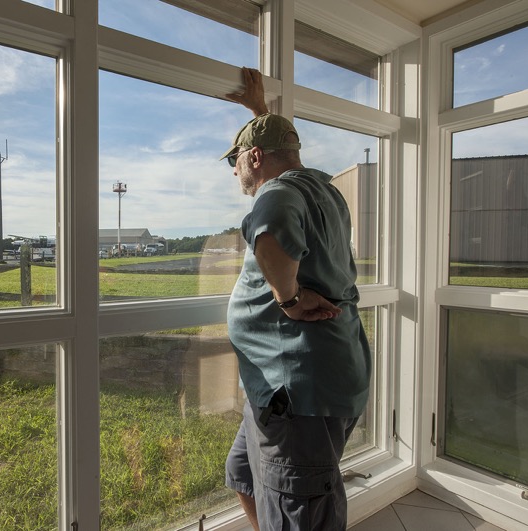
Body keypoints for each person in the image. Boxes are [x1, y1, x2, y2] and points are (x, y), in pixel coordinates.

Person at [221, 67, 371, 531]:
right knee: (243, 474)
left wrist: (288, 299)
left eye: (237, 162)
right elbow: (281, 157)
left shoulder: (279, 192)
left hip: (299, 393)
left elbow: (270, 228)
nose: (236, 172)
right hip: (300, 383)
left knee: (303, 511)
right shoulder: (323, 190)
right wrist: (260, 112)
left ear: (255, 156)